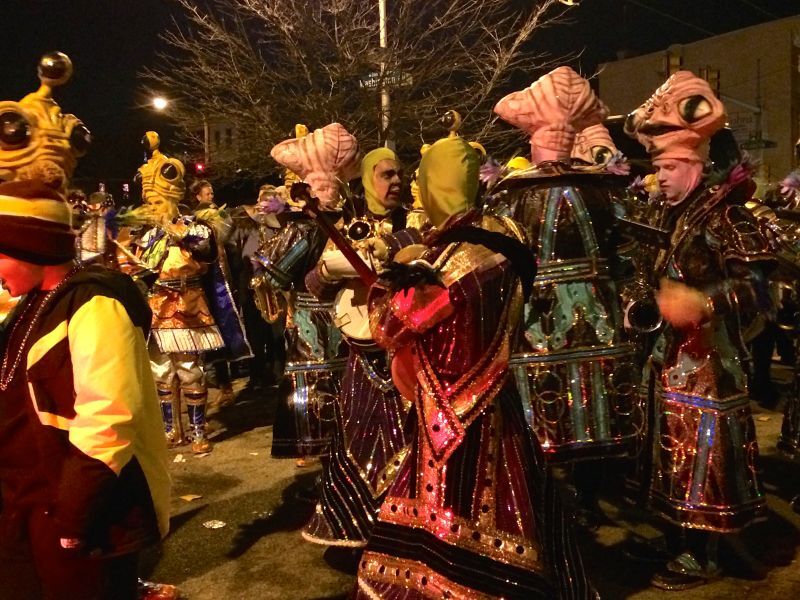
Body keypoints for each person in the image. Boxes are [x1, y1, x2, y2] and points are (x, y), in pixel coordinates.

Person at [355, 127, 596, 599]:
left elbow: (393, 322)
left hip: (451, 408)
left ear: (432, 186)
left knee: (459, 503)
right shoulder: (503, 236)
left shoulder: (454, 258)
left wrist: (389, 282)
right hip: (495, 395)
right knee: (516, 492)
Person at [624, 71, 774, 590]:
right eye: (657, 166)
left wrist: (704, 303)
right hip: (670, 361)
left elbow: (760, 288)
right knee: (672, 453)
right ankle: (678, 537)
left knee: (703, 456)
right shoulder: (667, 213)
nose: (659, 177)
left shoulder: (724, 212)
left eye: (668, 167)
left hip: (712, 365)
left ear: (695, 166)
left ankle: (703, 550)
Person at [0, 178, 170, 599]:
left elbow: (109, 415)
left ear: (32, 247)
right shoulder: (31, 304)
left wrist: (71, 519)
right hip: (25, 507)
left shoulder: (95, 304)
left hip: (76, 515)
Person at [491, 67, 640, 527]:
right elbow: (630, 256)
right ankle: (588, 502)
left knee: (541, 413)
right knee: (592, 411)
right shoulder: (605, 191)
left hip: (538, 322)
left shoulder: (511, 196)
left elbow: (497, 263)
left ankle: (543, 503)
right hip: (600, 319)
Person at [301, 147, 422, 546]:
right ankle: (357, 526)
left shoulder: (417, 223)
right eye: (387, 174)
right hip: (361, 354)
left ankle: (406, 526)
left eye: (399, 174)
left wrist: (395, 253)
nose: (396, 182)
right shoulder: (347, 226)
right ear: (368, 178)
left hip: (405, 354)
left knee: (413, 437)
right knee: (357, 433)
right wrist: (328, 268)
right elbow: (313, 286)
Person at [257, 123, 358, 463]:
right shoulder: (353, 217)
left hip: (312, 321)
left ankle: (324, 463)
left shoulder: (304, 226)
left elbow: (272, 275)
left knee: (319, 390)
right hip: (350, 318)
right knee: (343, 389)